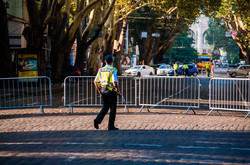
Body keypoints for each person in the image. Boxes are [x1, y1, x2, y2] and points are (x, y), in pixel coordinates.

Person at [93, 55, 122, 130]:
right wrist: (118, 91)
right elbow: (114, 81)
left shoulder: (101, 70)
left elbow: (95, 81)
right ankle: (111, 126)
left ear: (105, 61)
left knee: (105, 107)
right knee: (113, 108)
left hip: (103, 90)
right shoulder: (113, 70)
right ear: (112, 61)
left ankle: (97, 119)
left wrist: (99, 90)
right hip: (112, 91)